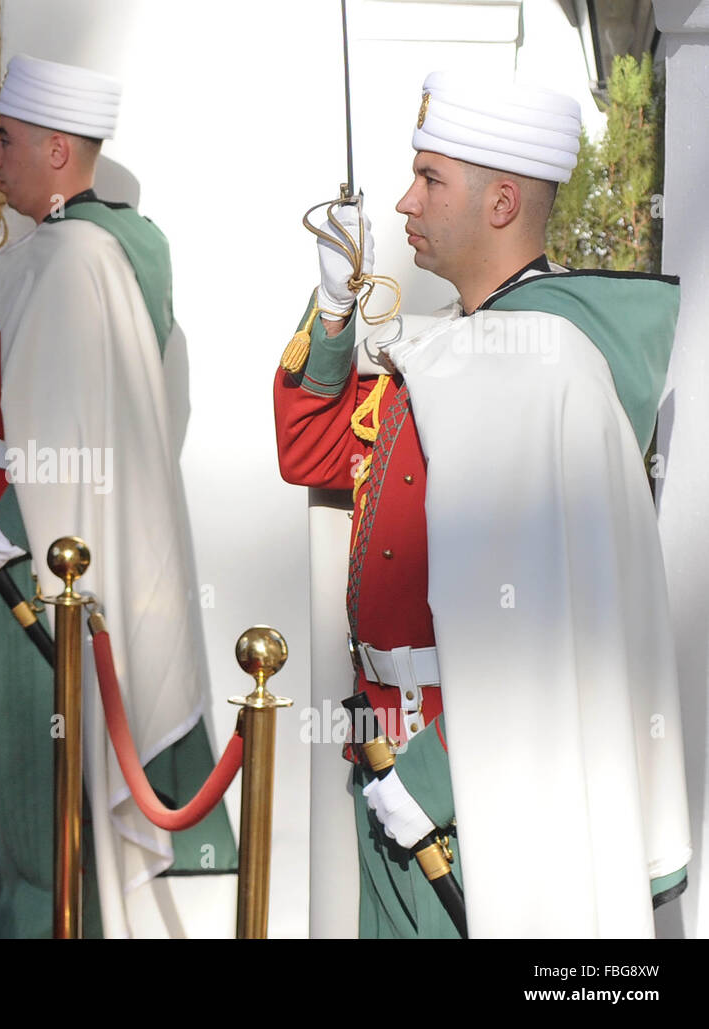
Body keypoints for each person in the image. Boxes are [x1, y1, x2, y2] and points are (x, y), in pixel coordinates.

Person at [274, 71, 692, 938]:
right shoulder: (452, 358)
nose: (403, 200)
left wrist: (428, 783)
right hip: (386, 766)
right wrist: (332, 305)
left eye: (431, 178)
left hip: (472, 802)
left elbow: (540, 641)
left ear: (502, 203)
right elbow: (309, 451)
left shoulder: (541, 369)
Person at [0, 54, 235, 938]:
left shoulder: (80, 259)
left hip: (27, 568)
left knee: (27, 797)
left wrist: (2, 526)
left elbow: (68, 435)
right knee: (15, 794)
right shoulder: (45, 253)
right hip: (0, 549)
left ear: (56, 149)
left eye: (6, 142)